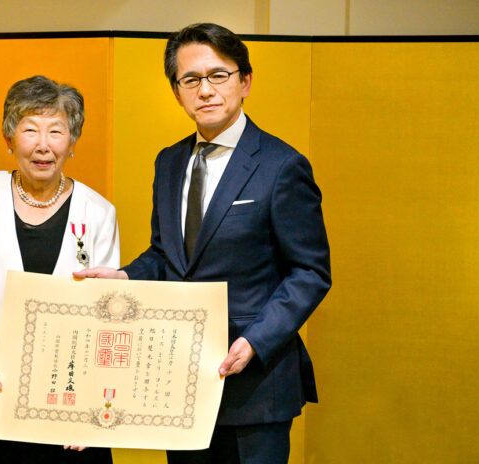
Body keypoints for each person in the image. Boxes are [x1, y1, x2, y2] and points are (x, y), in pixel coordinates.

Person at [74, 23, 331, 464]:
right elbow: (166, 255)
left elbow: (310, 272)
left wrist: (255, 340)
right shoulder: (169, 161)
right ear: (177, 92)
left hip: (254, 384)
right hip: (180, 381)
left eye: (219, 75)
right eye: (191, 80)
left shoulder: (282, 165)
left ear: (244, 81)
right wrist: (124, 276)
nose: (206, 90)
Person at [0, 75, 118, 464]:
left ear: (73, 142)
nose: (43, 145)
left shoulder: (99, 212)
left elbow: (108, 321)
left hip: (67, 407)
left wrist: (96, 411)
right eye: (30, 130)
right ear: (9, 138)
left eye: (56, 131)